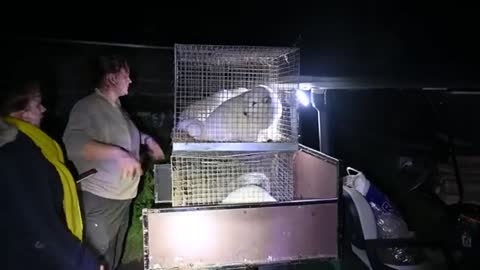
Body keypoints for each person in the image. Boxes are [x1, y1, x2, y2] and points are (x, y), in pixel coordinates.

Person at [63, 55, 165, 270]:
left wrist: (147, 140)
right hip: (101, 199)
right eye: (125, 75)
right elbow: (73, 142)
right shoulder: (88, 106)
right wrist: (118, 155)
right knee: (94, 257)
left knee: (114, 256)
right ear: (110, 78)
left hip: (123, 197)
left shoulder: (118, 109)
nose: (130, 80)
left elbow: (128, 135)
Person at [0, 79, 102, 270]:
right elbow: (40, 222)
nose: (44, 109)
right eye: (37, 104)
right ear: (21, 113)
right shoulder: (16, 152)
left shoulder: (32, 144)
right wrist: (82, 262)